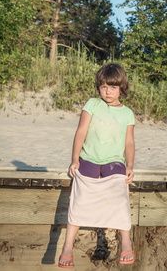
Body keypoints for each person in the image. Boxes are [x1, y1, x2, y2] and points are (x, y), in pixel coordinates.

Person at [58, 63, 135, 268]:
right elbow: (81, 131)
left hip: (114, 162)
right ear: (98, 87)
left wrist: (130, 165)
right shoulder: (92, 104)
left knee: (120, 194)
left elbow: (129, 142)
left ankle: (125, 243)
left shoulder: (127, 113)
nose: (108, 92)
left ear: (121, 88)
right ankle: (67, 247)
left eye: (113, 87)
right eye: (103, 87)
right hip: (89, 158)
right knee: (80, 197)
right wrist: (75, 159)